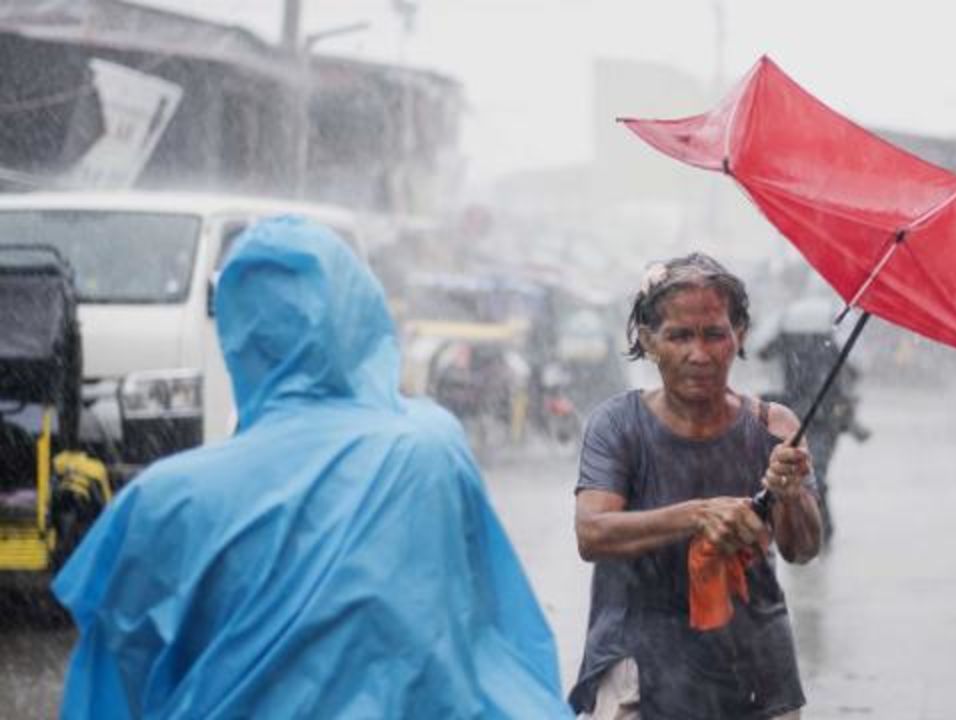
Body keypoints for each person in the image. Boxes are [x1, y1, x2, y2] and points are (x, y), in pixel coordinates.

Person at [53, 216, 571, 719]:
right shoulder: (428, 450)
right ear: (360, 316)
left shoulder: (164, 501)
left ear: (236, 335)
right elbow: (504, 635)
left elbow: (109, 692)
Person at [570, 252, 823, 719]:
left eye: (714, 334)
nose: (699, 354)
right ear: (648, 341)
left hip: (755, 670)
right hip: (640, 663)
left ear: (739, 335)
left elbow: (803, 549)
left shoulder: (774, 426)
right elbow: (592, 533)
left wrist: (789, 493)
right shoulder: (618, 427)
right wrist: (697, 515)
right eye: (679, 335)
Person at [758, 312, 872, 543]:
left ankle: (820, 527)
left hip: (819, 418)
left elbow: (764, 353)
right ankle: (814, 526)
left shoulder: (819, 340)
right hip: (803, 418)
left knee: (813, 472)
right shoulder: (818, 340)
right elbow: (764, 354)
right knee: (808, 472)